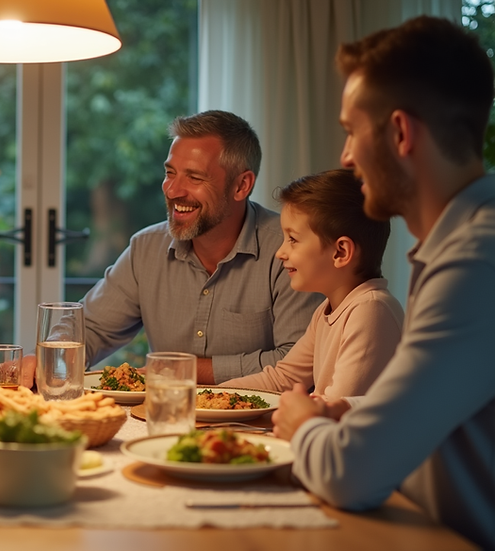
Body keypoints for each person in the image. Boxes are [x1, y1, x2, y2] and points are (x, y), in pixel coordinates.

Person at [272, 16, 495, 548]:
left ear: (399, 133)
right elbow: (443, 403)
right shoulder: (460, 246)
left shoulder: (472, 264)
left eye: (351, 131)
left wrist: (305, 424)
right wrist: (346, 410)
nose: (346, 157)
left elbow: (352, 473)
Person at [55, 110, 322, 385]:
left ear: (242, 185)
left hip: (260, 425)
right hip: (161, 419)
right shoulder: (146, 248)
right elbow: (89, 329)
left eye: (194, 178)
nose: (172, 191)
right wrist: (50, 358)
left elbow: (300, 363)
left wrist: (181, 370)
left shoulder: (290, 249)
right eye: (170, 173)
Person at [220, 169, 402, 398]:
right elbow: (283, 379)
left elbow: (335, 409)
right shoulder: (326, 311)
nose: (280, 253)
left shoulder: (371, 310)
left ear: (341, 252)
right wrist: (212, 396)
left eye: (293, 240)